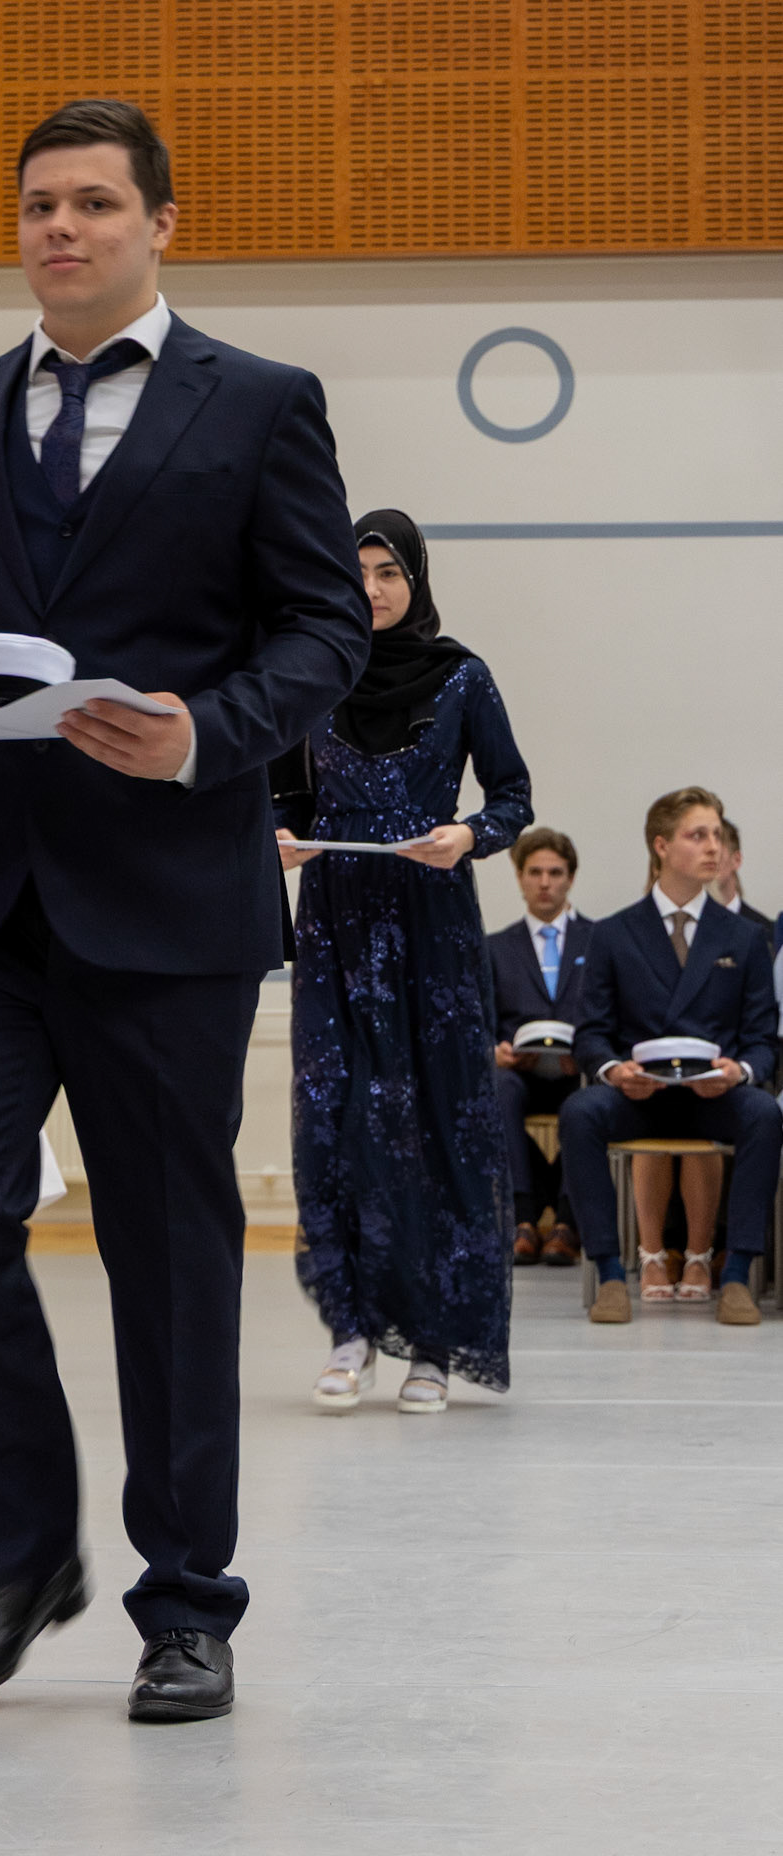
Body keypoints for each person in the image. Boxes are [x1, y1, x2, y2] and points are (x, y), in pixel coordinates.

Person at [0, 99, 370, 1722]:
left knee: (166, 1259)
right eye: (37, 206)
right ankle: (20, 1561)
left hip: (168, 902)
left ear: (161, 222)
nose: (59, 229)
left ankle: (187, 1603)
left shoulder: (262, 404)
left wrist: (208, 732)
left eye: (91, 203)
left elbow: (323, 629)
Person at [280, 510, 532, 1416]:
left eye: (389, 573)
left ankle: (432, 1342)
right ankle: (350, 1330)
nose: (373, 590)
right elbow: (280, 795)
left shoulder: (462, 676)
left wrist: (467, 834)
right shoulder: (310, 674)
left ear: (415, 581)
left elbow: (512, 796)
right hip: (336, 924)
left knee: (433, 1123)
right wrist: (280, 839)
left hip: (430, 924)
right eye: (357, 573)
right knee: (333, 1117)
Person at [562, 786, 782, 1326]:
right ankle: (610, 1273)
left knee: (763, 1112)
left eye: (717, 835)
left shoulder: (745, 937)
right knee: (580, 1113)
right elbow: (590, 1035)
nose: (713, 847)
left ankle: (737, 1276)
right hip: (640, 1096)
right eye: (697, 835)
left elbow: (763, 1039)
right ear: (661, 846)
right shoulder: (613, 933)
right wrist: (615, 1071)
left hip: (713, 1096)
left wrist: (740, 1071)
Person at [488, 827, 591, 1266]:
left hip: (578, 1070)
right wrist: (495, 1050)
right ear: (519, 877)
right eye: (535, 873)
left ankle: (566, 1221)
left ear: (570, 877)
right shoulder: (495, 947)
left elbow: (614, 1012)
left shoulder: (600, 940)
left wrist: (587, 1054)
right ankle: (524, 1217)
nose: (545, 883)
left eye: (555, 873)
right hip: (519, 1070)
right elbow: (480, 1019)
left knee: (588, 1104)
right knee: (496, 1089)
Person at [711, 818, 774, 941]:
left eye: (715, 852)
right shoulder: (678, 926)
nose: (706, 859)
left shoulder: (765, 932)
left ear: (736, 860)